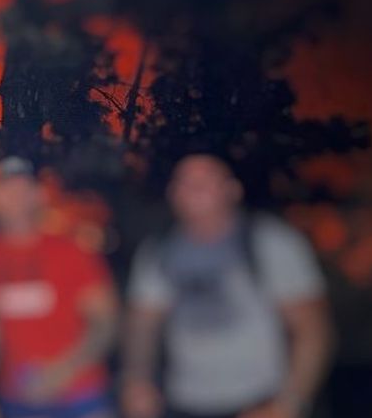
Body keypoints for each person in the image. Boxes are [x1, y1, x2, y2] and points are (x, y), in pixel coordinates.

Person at [121, 154, 333, 418]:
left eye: (205, 180)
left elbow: (312, 330)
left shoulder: (272, 243)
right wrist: (137, 381)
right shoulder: (159, 251)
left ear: (232, 190)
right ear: (172, 192)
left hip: (260, 402)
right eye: (184, 182)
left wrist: (290, 403)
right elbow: (142, 326)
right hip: (183, 404)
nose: (193, 188)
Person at [0, 157, 118, 418]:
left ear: (38, 196)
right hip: (17, 400)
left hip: (81, 396)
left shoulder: (72, 250)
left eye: (24, 190)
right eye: (5, 190)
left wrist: (63, 370)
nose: (15, 198)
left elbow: (106, 322)